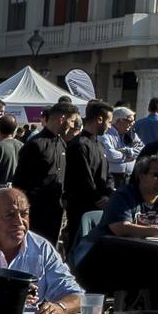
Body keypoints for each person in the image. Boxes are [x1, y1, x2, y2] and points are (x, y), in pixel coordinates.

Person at [0, 188, 85, 314]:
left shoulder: (42, 248)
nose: (19, 222)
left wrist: (61, 306)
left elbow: (77, 295)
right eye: (10, 215)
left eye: (24, 214)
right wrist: (11, 297)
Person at [15, 102, 75, 245]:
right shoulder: (35, 145)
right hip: (36, 210)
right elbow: (19, 182)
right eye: (71, 121)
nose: (73, 126)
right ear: (62, 118)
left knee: (50, 246)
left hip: (55, 208)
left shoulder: (62, 143)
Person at [64, 100, 114, 249]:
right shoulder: (78, 145)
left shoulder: (99, 145)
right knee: (79, 247)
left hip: (99, 207)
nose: (110, 126)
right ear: (99, 119)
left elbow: (107, 174)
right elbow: (83, 178)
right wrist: (99, 198)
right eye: (109, 122)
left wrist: (109, 194)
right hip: (82, 207)